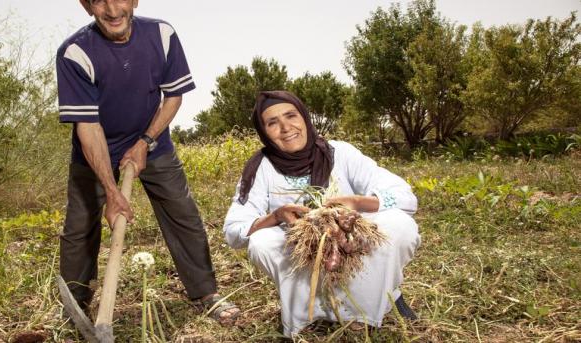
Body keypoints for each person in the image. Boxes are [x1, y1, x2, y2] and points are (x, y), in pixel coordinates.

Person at [56, 0, 239, 324]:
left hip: (153, 144)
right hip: (95, 152)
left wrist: (145, 142)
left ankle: (206, 293)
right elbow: (88, 127)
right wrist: (113, 193)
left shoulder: (161, 34)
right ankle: (75, 306)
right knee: (80, 229)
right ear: (86, 6)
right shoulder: (74, 53)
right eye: (99, 0)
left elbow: (173, 96)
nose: (112, 10)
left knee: (183, 214)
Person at [223, 90, 421, 337]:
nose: (286, 128)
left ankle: (366, 312)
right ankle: (308, 317)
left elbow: (405, 196)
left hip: (351, 244)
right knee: (261, 241)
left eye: (291, 116)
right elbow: (233, 230)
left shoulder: (340, 153)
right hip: (300, 252)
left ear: (304, 117)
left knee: (400, 225)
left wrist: (356, 203)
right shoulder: (261, 168)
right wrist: (275, 217)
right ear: (264, 132)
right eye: (272, 123)